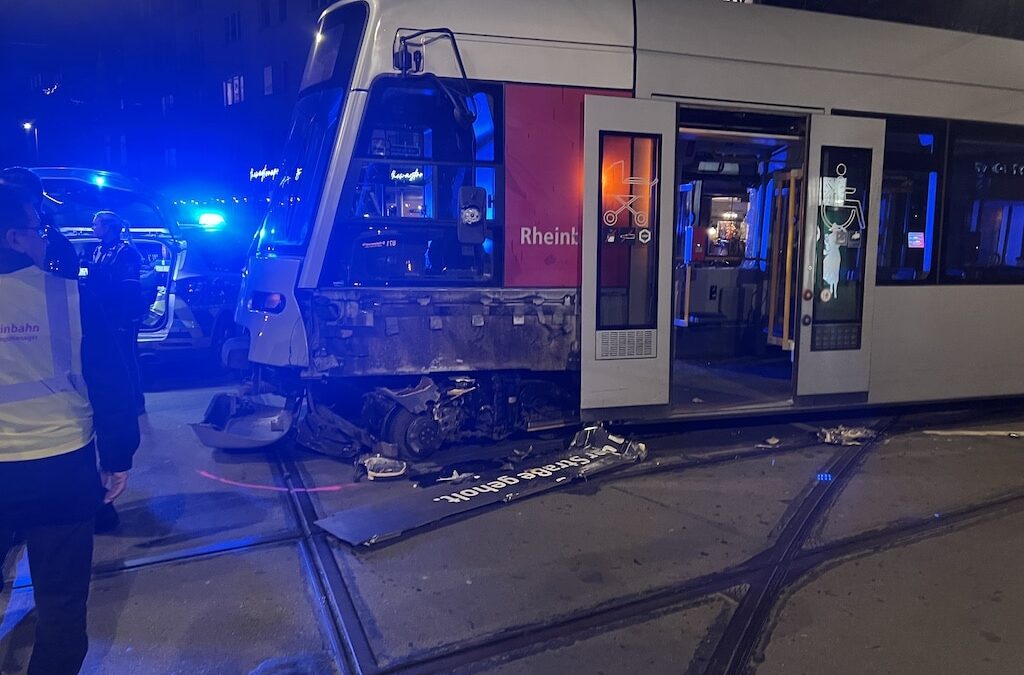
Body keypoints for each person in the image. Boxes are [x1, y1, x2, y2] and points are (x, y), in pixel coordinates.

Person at [0, 184, 140, 674]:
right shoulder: (70, 297)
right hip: (60, 470)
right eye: (38, 229)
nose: (45, 238)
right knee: (60, 605)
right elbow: (112, 387)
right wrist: (118, 458)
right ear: (15, 239)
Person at [86, 210, 146, 416]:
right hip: (105, 314)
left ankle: (136, 402)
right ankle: (118, 399)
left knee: (127, 357)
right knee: (110, 358)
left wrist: (125, 319)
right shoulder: (97, 251)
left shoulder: (126, 253)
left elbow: (130, 289)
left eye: (96, 224)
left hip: (123, 315)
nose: (93, 228)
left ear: (108, 227)